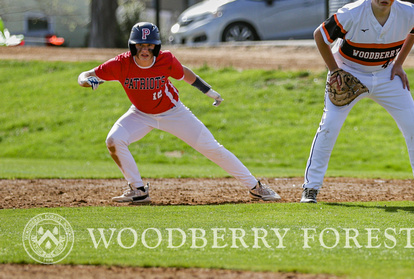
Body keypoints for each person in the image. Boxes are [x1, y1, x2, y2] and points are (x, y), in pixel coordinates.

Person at [78, 22, 280, 204]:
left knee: (213, 148)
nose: (145, 49)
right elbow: (85, 75)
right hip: (140, 113)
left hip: (173, 112)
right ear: (133, 46)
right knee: (114, 140)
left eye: (150, 45)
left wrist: (208, 91)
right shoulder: (121, 63)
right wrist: (87, 81)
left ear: (156, 47)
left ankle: (256, 187)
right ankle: (138, 190)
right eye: (140, 45)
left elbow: (184, 73)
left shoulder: (165, 60)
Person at [301, 0, 414, 204]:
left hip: (386, 74)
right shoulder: (352, 13)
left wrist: (399, 63)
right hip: (349, 73)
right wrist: (334, 70)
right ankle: (311, 188)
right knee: (329, 126)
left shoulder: (408, 12)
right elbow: (320, 35)